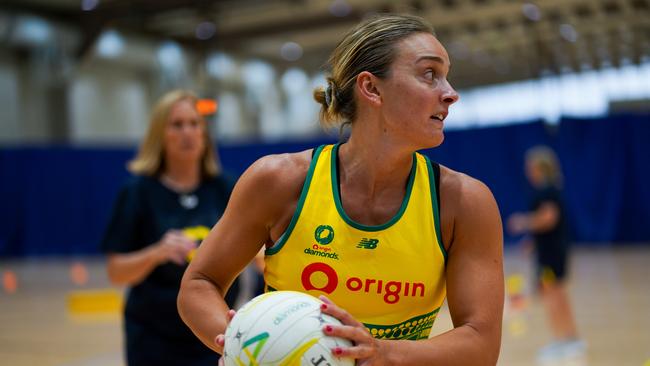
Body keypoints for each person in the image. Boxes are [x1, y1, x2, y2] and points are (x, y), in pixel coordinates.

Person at [178, 14, 504, 365]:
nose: (450, 93)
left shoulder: (464, 202)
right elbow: (200, 282)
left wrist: (383, 353)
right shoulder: (279, 180)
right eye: (429, 74)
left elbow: (481, 343)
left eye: (446, 76)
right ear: (372, 88)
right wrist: (239, 343)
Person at [101, 89, 239, 365]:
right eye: (177, 124)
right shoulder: (138, 192)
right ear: (160, 134)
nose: (187, 132)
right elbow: (116, 272)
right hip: (154, 337)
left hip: (213, 332)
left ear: (204, 134)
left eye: (194, 123)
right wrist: (157, 253)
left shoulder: (225, 187)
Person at [507, 146, 585, 363]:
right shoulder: (552, 188)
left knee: (552, 296)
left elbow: (548, 218)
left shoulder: (546, 191)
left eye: (530, 166)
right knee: (558, 295)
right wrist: (532, 241)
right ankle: (570, 337)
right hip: (553, 250)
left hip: (551, 254)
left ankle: (562, 340)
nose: (527, 170)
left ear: (539, 168)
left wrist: (523, 222)